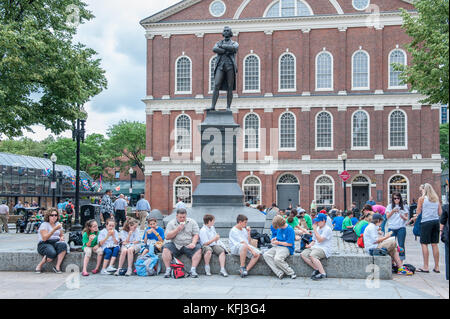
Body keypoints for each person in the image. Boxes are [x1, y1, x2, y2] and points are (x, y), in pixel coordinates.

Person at [162, 208, 202, 278]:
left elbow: (196, 234)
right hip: (176, 244)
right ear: (176, 216)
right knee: (166, 249)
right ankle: (168, 270)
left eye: (184, 217)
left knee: (198, 249)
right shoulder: (171, 223)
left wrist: (193, 243)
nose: (182, 219)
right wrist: (177, 229)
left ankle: (193, 270)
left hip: (188, 244)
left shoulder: (192, 222)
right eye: (180, 217)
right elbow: (167, 237)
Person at [414, 183, 442, 273]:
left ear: (424, 190)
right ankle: (437, 267)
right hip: (435, 222)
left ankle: (426, 266)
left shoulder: (422, 199)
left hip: (426, 222)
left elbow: (418, 211)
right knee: (434, 244)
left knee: (424, 243)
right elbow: (440, 212)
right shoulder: (436, 199)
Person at [300, 213, 333, 280]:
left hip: (324, 248)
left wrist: (314, 230)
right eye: (316, 221)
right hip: (315, 247)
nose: (317, 222)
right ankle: (317, 268)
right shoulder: (317, 228)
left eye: (318, 221)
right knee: (303, 254)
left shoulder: (327, 229)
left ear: (323, 221)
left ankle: (323, 273)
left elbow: (320, 240)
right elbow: (314, 240)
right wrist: (309, 245)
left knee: (312, 255)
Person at [263, 215, 296, 279]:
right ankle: (279, 272)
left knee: (277, 259)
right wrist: (275, 239)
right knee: (266, 255)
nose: (277, 228)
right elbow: (279, 238)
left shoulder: (290, 229)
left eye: (277, 227)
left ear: (280, 224)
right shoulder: (279, 228)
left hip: (287, 248)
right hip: (278, 246)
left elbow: (290, 244)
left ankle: (291, 272)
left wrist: (278, 242)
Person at [35, 209, 67, 274]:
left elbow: (61, 235)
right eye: (52, 215)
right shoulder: (44, 225)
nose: (54, 217)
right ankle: (40, 265)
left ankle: (57, 266)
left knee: (63, 245)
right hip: (45, 243)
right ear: (48, 216)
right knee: (52, 253)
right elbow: (44, 238)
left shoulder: (58, 224)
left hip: (55, 242)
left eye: (56, 215)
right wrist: (54, 229)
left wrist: (61, 238)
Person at [386, 192, 409, 260]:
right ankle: (392, 260)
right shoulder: (389, 206)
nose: (396, 200)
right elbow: (387, 217)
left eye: (398, 198)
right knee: (391, 245)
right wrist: (392, 211)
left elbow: (406, 219)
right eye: (394, 198)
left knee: (401, 245)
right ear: (392, 199)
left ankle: (401, 261)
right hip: (392, 227)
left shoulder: (404, 206)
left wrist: (403, 217)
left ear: (400, 199)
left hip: (401, 227)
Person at [440, 203, 449, 280]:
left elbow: (442, 221)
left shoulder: (446, 207)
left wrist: (440, 231)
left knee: (448, 255)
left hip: (448, 234)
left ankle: (448, 275)